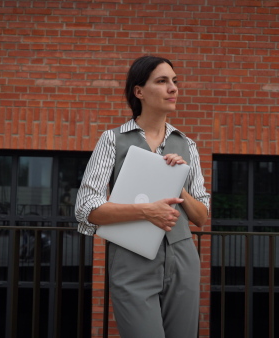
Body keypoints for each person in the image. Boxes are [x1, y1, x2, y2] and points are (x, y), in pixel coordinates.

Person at [75, 55, 210, 338]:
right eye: (162, 81)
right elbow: (86, 208)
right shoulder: (112, 140)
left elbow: (201, 216)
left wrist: (178, 182)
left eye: (174, 81)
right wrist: (146, 212)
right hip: (131, 258)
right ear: (139, 92)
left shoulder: (188, 145)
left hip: (183, 258)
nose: (172, 88)